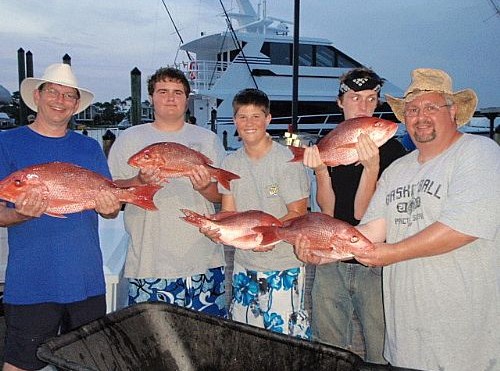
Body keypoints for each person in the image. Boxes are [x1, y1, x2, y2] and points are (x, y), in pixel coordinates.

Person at [297, 68, 500, 370]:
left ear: (453, 111)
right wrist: (327, 251)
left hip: (462, 338)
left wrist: (388, 253)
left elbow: (463, 227)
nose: (421, 116)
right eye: (413, 109)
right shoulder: (399, 170)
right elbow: (374, 226)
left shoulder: (478, 152)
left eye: (432, 107)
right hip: (406, 339)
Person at [0, 63, 121, 371]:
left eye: (69, 95)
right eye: (52, 91)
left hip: (85, 281)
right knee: (19, 364)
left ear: (76, 105)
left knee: (91, 363)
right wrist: (19, 214)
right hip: (31, 282)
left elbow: (108, 207)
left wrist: (111, 207)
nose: (60, 99)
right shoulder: (6, 143)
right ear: (37, 96)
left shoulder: (90, 147)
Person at [302, 68, 406, 363]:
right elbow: (328, 210)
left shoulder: (394, 151)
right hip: (330, 259)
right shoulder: (331, 141)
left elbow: (364, 214)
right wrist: (321, 171)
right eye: (355, 97)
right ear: (340, 102)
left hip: (374, 262)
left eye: (371, 99)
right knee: (329, 349)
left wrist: (372, 167)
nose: (363, 106)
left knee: (381, 348)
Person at [107, 67, 227, 317]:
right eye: (163, 92)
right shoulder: (129, 139)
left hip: (203, 259)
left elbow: (223, 197)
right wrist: (139, 180)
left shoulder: (208, 139)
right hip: (149, 262)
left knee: (206, 341)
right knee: (152, 343)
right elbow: (112, 193)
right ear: (151, 97)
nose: (170, 98)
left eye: (177, 92)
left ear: (186, 99)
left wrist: (205, 186)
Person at [202, 88, 311, 338]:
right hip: (243, 265)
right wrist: (215, 229)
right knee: (247, 337)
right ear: (234, 120)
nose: (249, 123)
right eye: (242, 117)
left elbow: (298, 212)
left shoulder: (286, 161)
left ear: (268, 119)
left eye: (256, 116)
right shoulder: (230, 163)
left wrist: (266, 237)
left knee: (285, 339)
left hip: (284, 267)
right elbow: (228, 213)